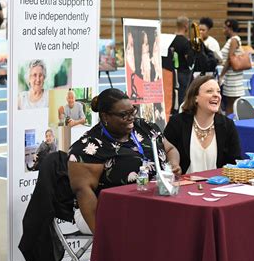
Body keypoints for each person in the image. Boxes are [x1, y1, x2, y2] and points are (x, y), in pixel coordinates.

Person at [68, 88, 181, 234]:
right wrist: (104, 239)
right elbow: (84, 193)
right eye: (123, 115)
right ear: (105, 117)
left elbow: (170, 149)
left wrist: (173, 163)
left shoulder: (144, 127)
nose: (131, 118)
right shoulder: (89, 147)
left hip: (154, 201)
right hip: (106, 209)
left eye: (132, 111)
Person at [164, 76, 241, 174]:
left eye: (218, 91)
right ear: (195, 98)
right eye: (209, 91)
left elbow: (235, 162)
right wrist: (174, 167)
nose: (216, 95)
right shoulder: (177, 123)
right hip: (183, 186)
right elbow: (164, 155)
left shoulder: (228, 125)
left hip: (217, 186)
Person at [219, 19, 245, 115]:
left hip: (233, 77)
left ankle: (230, 124)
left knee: (231, 104)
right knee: (231, 103)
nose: (223, 30)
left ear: (230, 28)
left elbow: (230, 59)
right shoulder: (232, 39)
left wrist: (221, 75)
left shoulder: (234, 40)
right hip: (231, 76)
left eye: (224, 28)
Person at [170, 16, 192, 108]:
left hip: (172, 72)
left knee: (173, 95)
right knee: (183, 97)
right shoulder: (185, 42)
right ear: (186, 26)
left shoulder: (170, 39)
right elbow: (188, 59)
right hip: (183, 73)